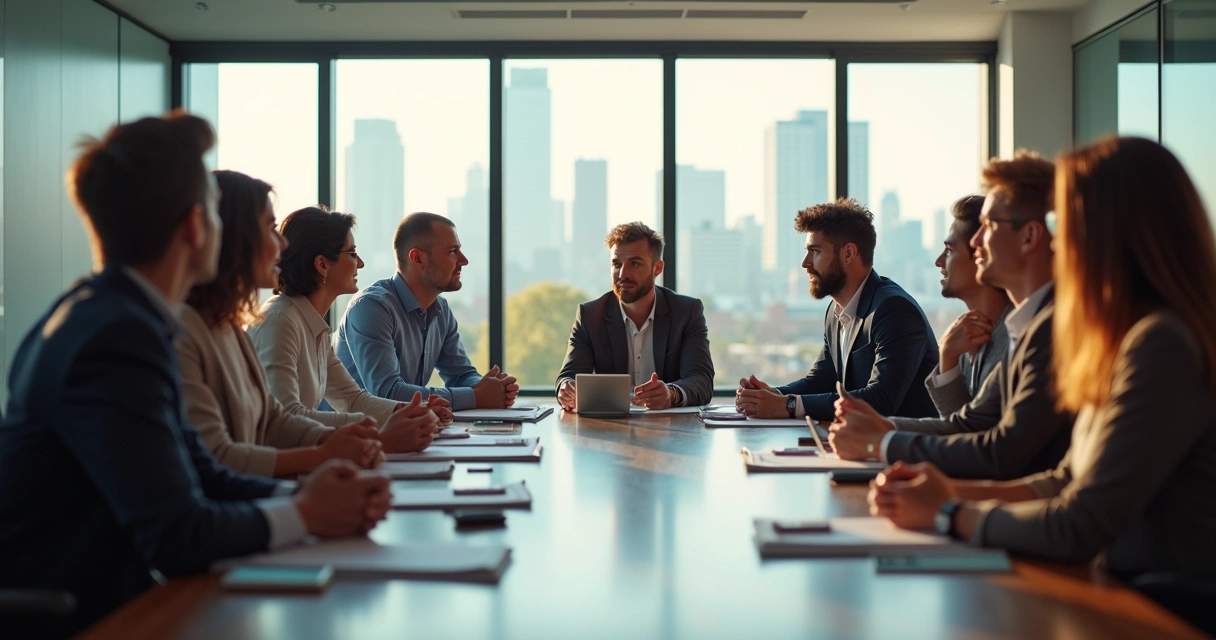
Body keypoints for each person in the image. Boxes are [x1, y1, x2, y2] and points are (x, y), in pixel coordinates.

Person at [0, 113, 390, 636]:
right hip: (89, 616)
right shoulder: (116, 338)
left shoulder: (116, 316)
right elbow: (178, 533)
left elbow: (203, 474)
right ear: (195, 225)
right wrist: (308, 514)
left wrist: (306, 495)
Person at [868, 137, 1216, 581]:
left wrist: (950, 513)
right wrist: (947, 494)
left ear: (1107, 230)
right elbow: (1065, 479)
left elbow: (1081, 523)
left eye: (1060, 220)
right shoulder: (1119, 337)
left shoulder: (1161, 344)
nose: (1053, 238)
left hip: (1156, 608)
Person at [830, 152, 1073, 481]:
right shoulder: (1025, 326)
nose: (976, 242)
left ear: (1029, 236)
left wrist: (880, 442)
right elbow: (973, 424)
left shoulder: (1050, 329)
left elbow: (998, 453)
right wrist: (883, 427)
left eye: (989, 227)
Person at [179, 171, 405, 478]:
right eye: (270, 228)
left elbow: (275, 419)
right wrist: (367, 436)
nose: (281, 243)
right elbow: (227, 453)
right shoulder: (276, 319)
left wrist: (403, 415)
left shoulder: (234, 326)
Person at [247, 206, 449, 451]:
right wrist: (383, 425)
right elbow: (288, 415)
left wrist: (410, 410)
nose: (360, 263)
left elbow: (351, 400)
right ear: (322, 264)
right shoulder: (280, 321)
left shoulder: (310, 322)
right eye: (352, 253)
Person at [735, 198, 938, 422]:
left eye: (815, 251)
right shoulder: (836, 309)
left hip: (904, 451)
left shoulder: (894, 310)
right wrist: (774, 395)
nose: (805, 262)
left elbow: (881, 400)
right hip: (858, 444)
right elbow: (820, 380)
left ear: (849, 253)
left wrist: (788, 405)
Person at [334, 212, 519, 410]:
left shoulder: (441, 309)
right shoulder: (371, 307)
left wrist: (493, 388)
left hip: (399, 432)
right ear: (418, 258)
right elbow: (387, 393)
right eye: (452, 251)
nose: (464, 260)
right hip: (345, 435)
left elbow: (461, 375)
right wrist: (476, 396)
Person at [556, 222, 714, 410]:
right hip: (609, 431)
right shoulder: (590, 315)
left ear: (657, 269)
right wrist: (566, 390)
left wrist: (671, 394)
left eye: (635, 263)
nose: (623, 274)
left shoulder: (686, 312)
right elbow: (568, 376)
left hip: (672, 430)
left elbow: (701, 380)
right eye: (616, 264)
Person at [926, 195, 1012, 417]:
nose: (939, 262)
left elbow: (972, 436)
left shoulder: (1016, 336)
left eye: (949, 250)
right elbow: (961, 428)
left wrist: (947, 360)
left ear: (981, 255)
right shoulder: (967, 334)